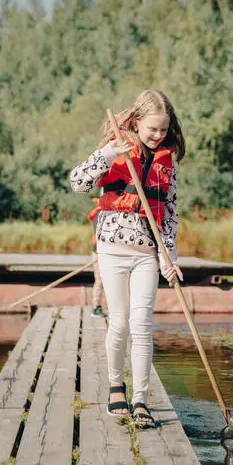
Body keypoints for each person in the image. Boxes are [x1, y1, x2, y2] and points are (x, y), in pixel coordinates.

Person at [70, 89, 185, 427]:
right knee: (118, 323)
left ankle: (140, 400)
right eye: (152, 129)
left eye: (163, 130)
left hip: (148, 254)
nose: (158, 136)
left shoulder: (166, 163)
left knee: (142, 325)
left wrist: (170, 257)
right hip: (112, 251)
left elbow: (170, 214)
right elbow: (77, 182)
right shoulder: (115, 149)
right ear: (137, 121)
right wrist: (106, 154)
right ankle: (115, 384)